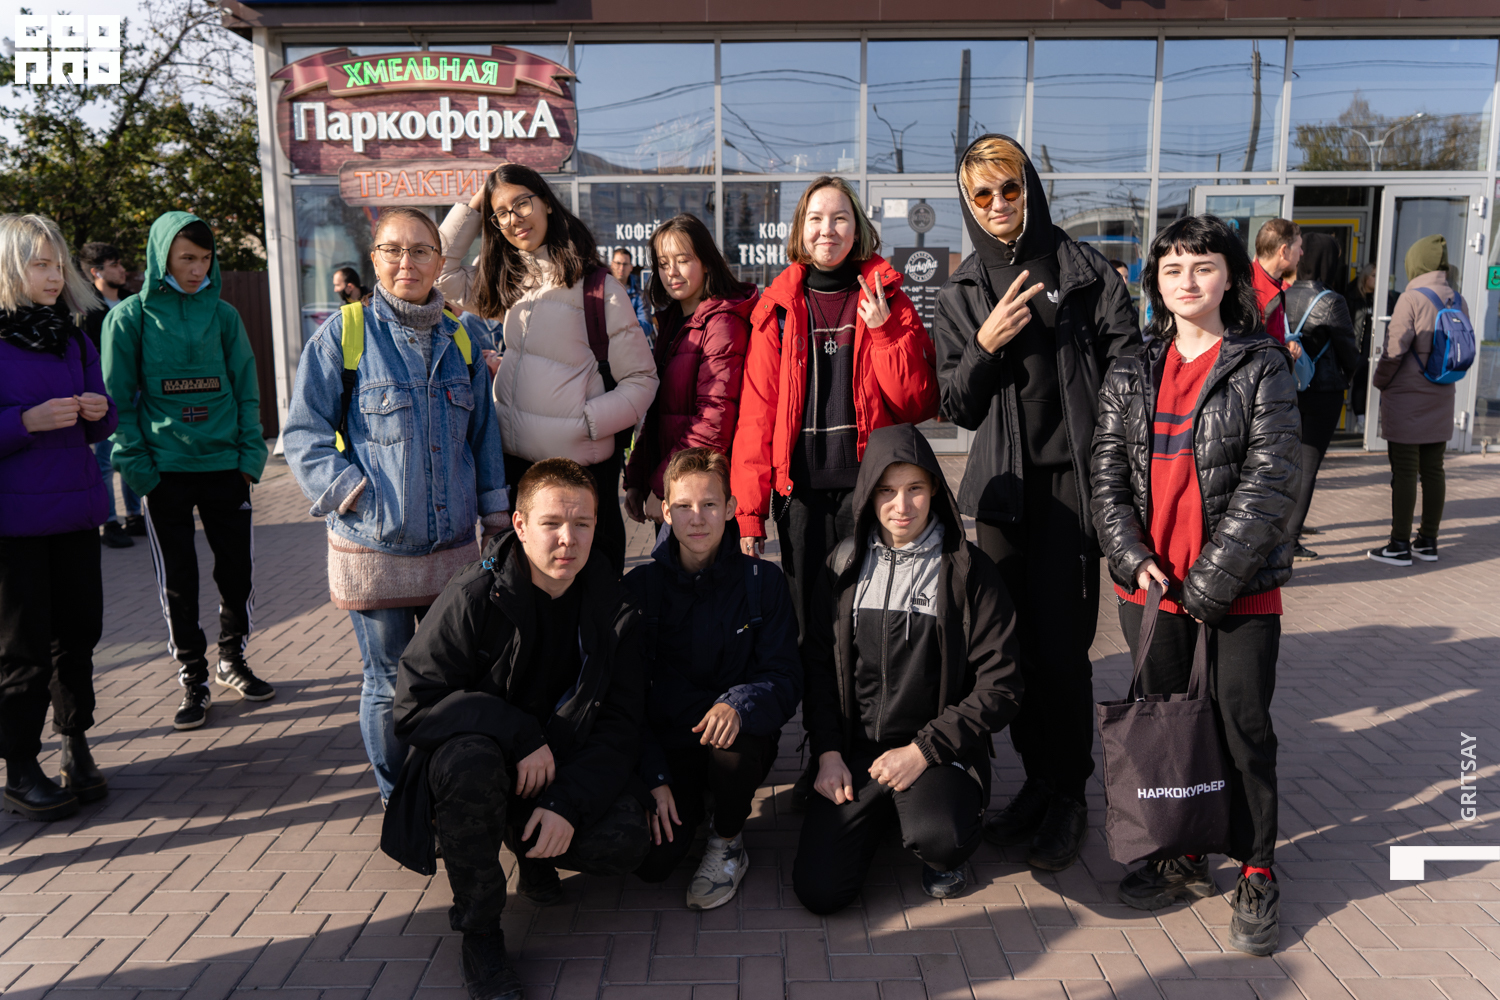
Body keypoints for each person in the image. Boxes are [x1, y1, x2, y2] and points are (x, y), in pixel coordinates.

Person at [1091, 212, 1301, 958]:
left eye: (1203, 266)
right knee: (1171, 725)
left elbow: (1270, 482)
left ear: (1230, 277)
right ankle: (1181, 848)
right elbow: (1106, 478)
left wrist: (1210, 583)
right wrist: (1128, 556)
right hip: (1152, 593)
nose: (1187, 280)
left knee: (1243, 729)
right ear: (1155, 281)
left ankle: (1256, 867)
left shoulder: (1261, 365)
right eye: (1173, 268)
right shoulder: (1130, 370)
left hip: (1239, 591)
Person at [933, 133, 1140, 872]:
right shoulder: (963, 291)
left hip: (1072, 492)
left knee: (1063, 654)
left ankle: (1069, 793)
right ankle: (1037, 784)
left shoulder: (1085, 271)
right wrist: (985, 345)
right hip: (1003, 495)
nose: (997, 204)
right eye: (982, 194)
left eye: (1009, 188)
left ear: (1030, 188)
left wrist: (1117, 473)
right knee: (1010, 654)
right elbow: (955, 403)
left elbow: (1129, 375)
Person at [383, 458, 651, 1000]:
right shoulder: (474, 595)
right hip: (484, 762)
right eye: (552, 523)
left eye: (582, 523)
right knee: (470, 762)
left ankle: (531, 846)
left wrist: (565, 804)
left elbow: (620, 724)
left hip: (559, 764)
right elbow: (413, 706)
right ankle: (480, 933)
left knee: (626, 839)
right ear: (521, 525)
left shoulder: (614, 604)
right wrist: (518, 733)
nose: (568, 539)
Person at [283, 208, 509, 805]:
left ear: (440, 261)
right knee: (386, 681)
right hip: (373, 548)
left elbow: (484, 438)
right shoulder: (343, 334)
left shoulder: (464, 338)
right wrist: (352, 495)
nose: (405, 262)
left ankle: (438, 791)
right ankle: (398, 799)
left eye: (420, 250)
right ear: (375, 259)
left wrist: (495, 516)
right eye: (392, 250)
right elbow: (303, 435)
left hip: (452, 548)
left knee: (443, 679)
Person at [792, 423, 1023, 913]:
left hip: (935, 753)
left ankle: (933, 830)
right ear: (868, 494)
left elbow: (1001, 686)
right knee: (820, 891)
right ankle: (881, 815)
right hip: (857, 753)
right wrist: (828, 752)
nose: (902, 505)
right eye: (887, 491)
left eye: (915, 488)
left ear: (934, 488)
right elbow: (818, 667)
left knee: (941, 837)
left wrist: (924, 750)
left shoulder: (969, 571)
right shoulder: (841, 566)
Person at [730, 174, 938, 636]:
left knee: (867, 624)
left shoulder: (889, 298)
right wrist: (749, 513)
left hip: (870, 491)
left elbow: (916, 403)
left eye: (840, 218)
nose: (827, 229)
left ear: (857, 228)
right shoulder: (778, 308)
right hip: (799, 494)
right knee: (807, 627)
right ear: (801, 229)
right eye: (816, 218)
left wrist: (885, 332)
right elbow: (757, 415)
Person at [437, 164, 658, 575]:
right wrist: (473, 206)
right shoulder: (510, 282)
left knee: (589, 593)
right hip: (517, 470)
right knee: (528, 595)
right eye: (501, 213)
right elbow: (440, 271)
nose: (513, 219)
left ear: (548, 204)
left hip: (579, 475)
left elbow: (642, 379)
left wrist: (589, 421)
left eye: (522, 203)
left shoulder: (599, 288)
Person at [102, 212, 273, 732]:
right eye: (186, 259)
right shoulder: (129, 318)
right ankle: (193, 676)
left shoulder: (223, 316)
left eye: (204, 258)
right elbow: (116, 404)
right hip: (164, 473)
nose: (197, 269)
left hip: (227, 469)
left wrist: (249, 460)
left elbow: (246, 389)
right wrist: (141, 472)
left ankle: (231, 659)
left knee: (236, 573)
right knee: (178, 580)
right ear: (162, 259)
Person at [627, 448, 800, 909]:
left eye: (709, 504)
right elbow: (626, 695)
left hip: (738, 742)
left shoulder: (763, 582)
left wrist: (738, 704)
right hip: (672, 743)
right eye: (684, 506)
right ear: (666, 512)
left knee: (731, 751)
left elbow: (785, 675)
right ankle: (700, 801)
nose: (697, 518)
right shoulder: (641, 589)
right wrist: (654, 775)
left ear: (729, 508)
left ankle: (727, 841)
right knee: (653, 864)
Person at [0, 214, 116, 820]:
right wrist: (23, 422)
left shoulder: (72, 337)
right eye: (39, 264)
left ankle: (76, 742)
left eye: (57, 264)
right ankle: (20, 767)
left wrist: (100, 410)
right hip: (13, 524)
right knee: (22, 650)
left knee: (77, 636)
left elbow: (105, 419)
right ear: (9, 268)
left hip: (75, 511)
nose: (53, 276)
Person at [623, 214, 757, 526]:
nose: (671, 272)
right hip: (675, 489)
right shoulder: (672, 321)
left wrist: (664, 487)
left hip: (698, 496)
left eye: (683, 260)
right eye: (663, 263)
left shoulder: (722, 323)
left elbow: (714, 420)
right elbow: (657, 414)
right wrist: (638, 479)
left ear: (706, 262)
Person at [1368, 235, 1466, 567]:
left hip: (1407, 399)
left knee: (1406, 471)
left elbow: (1394, 350)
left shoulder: (1411, 298)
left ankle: (1398, 545)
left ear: (1416, 262)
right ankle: (1428, 540)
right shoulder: (1457, 299)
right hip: (1442, 394)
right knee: (1434, 470)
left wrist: (1379, 381)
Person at [1281, 233, 1359, 559]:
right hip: (1322, 391)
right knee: (1307, 466)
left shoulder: (1281, 294)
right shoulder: (1331, 300)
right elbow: (1349, 350)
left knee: (1284, 464)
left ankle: (1275, 533)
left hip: (1286, 387)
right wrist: (1348, 376)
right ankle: (1289, 541)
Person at [78, 241, 140, 549]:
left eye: (120, 263)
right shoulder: (86, 310)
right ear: (96, 272)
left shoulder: (132, 303)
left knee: (134, 451)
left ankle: (135, 515)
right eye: (114, 265)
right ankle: (109, 522)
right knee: (105, 459)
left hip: (136, 392)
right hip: (103, 395)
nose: (122, 270)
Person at [1251, 218, 1302, 345]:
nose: (1301, 253)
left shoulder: (1270, 282)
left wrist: (1285, 348)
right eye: (1299, 247)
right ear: (1283, 251)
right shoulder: (1252, 288)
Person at [1344, 263, 1379, 433]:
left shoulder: (1382, 298)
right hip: (1359, 346)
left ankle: (1373, 420)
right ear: (1365, 278)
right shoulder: (1353, 297)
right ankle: (1361, 419)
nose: (1377, 279)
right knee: (1360, 381)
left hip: (1375, 346)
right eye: (1373, 275)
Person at [610, 247, 656, 344]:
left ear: (631, 267)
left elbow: (647, 325)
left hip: (631, 345)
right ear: (612, 264)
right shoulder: (601, 289)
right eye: (618, 263)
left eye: (625, 264)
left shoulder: (640, 291)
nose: (621, 268)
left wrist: (625, 329)